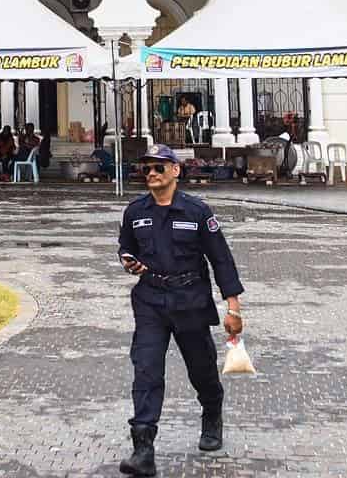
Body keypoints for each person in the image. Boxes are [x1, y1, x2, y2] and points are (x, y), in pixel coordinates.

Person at [117, 144, 244, 475]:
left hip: (190, 300)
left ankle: (212, 412)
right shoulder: (135, 212)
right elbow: (125, 247)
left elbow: (221, 260)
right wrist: (128, 262)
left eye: (159, 167)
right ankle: (143, 448)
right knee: (146, 370)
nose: (152, 174)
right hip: (150, 301)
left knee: (201, 369)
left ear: (176, 170)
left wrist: (233, 308)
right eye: (147, 168)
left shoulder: (197, 211)